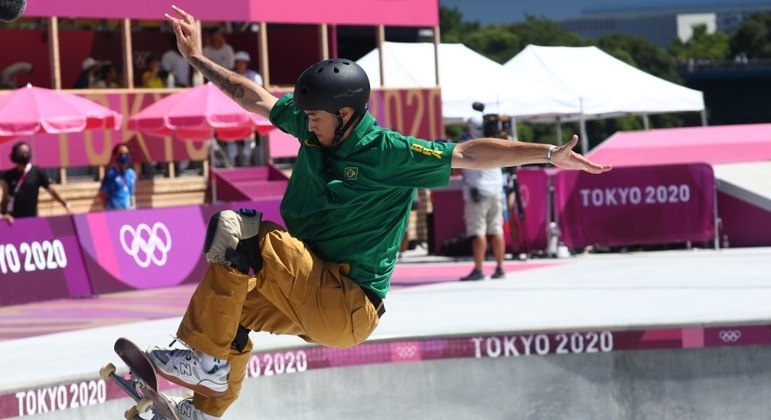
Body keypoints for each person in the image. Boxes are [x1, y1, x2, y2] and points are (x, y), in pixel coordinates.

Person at [151, 6, 612, 420]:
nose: (306, 123)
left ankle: (206, 361)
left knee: (243, 232)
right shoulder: (314, 125)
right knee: (233, 302)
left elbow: (469, 154)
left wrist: (548, 153)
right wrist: (197, 60)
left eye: (315, 117)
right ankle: (205, 412)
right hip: (314, 288)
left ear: (346, 112)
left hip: (349, 304)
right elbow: (257, 99)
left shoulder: (390, 152)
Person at [459, 116, 507, 281]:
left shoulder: (471, 145)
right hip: (496, 190)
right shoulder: (495, 142)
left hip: (478, 192)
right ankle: (500, 267)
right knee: (496, 230)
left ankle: (479, 268)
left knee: (478, 231)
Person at [0, 142, 70, 224]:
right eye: (22, 152)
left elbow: (52, 190)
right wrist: (3, 215)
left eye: (26, 152)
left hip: (31, 219)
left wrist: (65, 204)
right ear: (15, 154)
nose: (24, 155)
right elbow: (4, 198)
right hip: (12, 221)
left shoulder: (37, 172)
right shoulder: (7, 176)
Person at [99, 143, 137, 211]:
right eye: (120, 154)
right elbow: (103, 193)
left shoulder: (131, 173)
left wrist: (133, 207)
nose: (123, 156)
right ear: (115, 156)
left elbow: (131, 193)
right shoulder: (111, 174)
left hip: (128, 211)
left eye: (126, 154)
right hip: (114, 212)